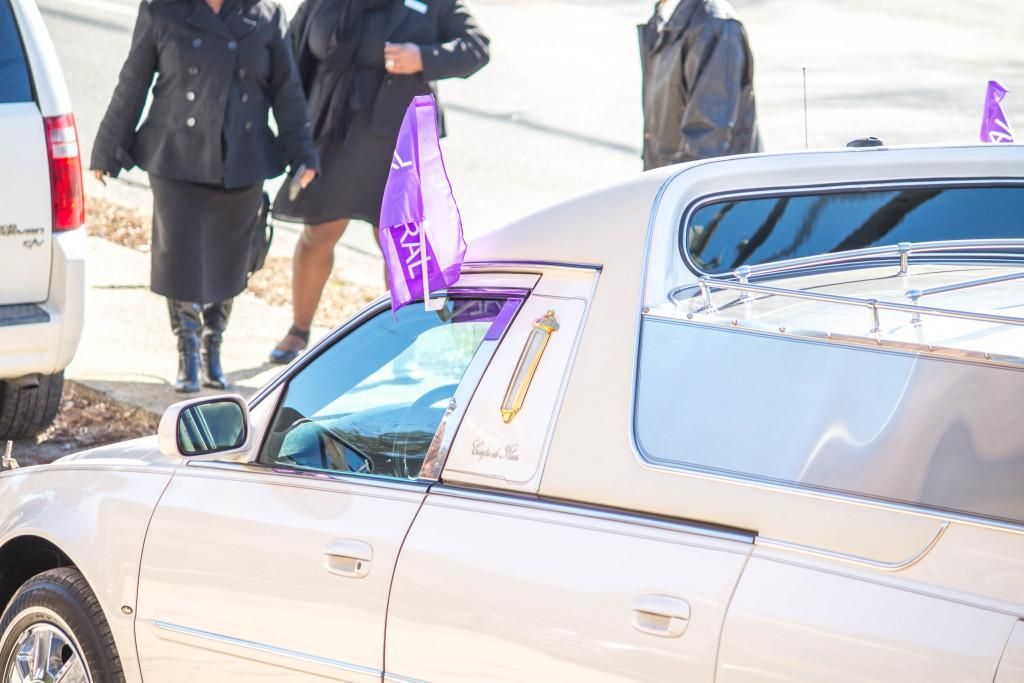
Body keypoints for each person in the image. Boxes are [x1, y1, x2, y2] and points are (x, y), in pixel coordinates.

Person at [91, 0, 319, 393]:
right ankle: (188, 348)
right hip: (176, 154)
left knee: (231, 259)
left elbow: (287, 90)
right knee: (179, 256)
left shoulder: (266, 15)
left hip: (243, 158)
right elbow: (134, 79)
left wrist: (303, 153)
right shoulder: (162, 9)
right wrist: (108, 149)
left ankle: (214, 346)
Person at [268, 0, 490, 364]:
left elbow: (476, 47)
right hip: (331, 130)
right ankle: (299, 331)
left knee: (398, 242)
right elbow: (291, 55)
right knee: (319, 230)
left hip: (396, 137)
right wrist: (293, 130)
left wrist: (424, 56)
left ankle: (404, 342)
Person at [638, 0, 762, 170]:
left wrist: (665, 189)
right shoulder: (664, 16)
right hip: (671, 185)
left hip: (710, 190)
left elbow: (705, 148)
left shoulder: (714, 27)